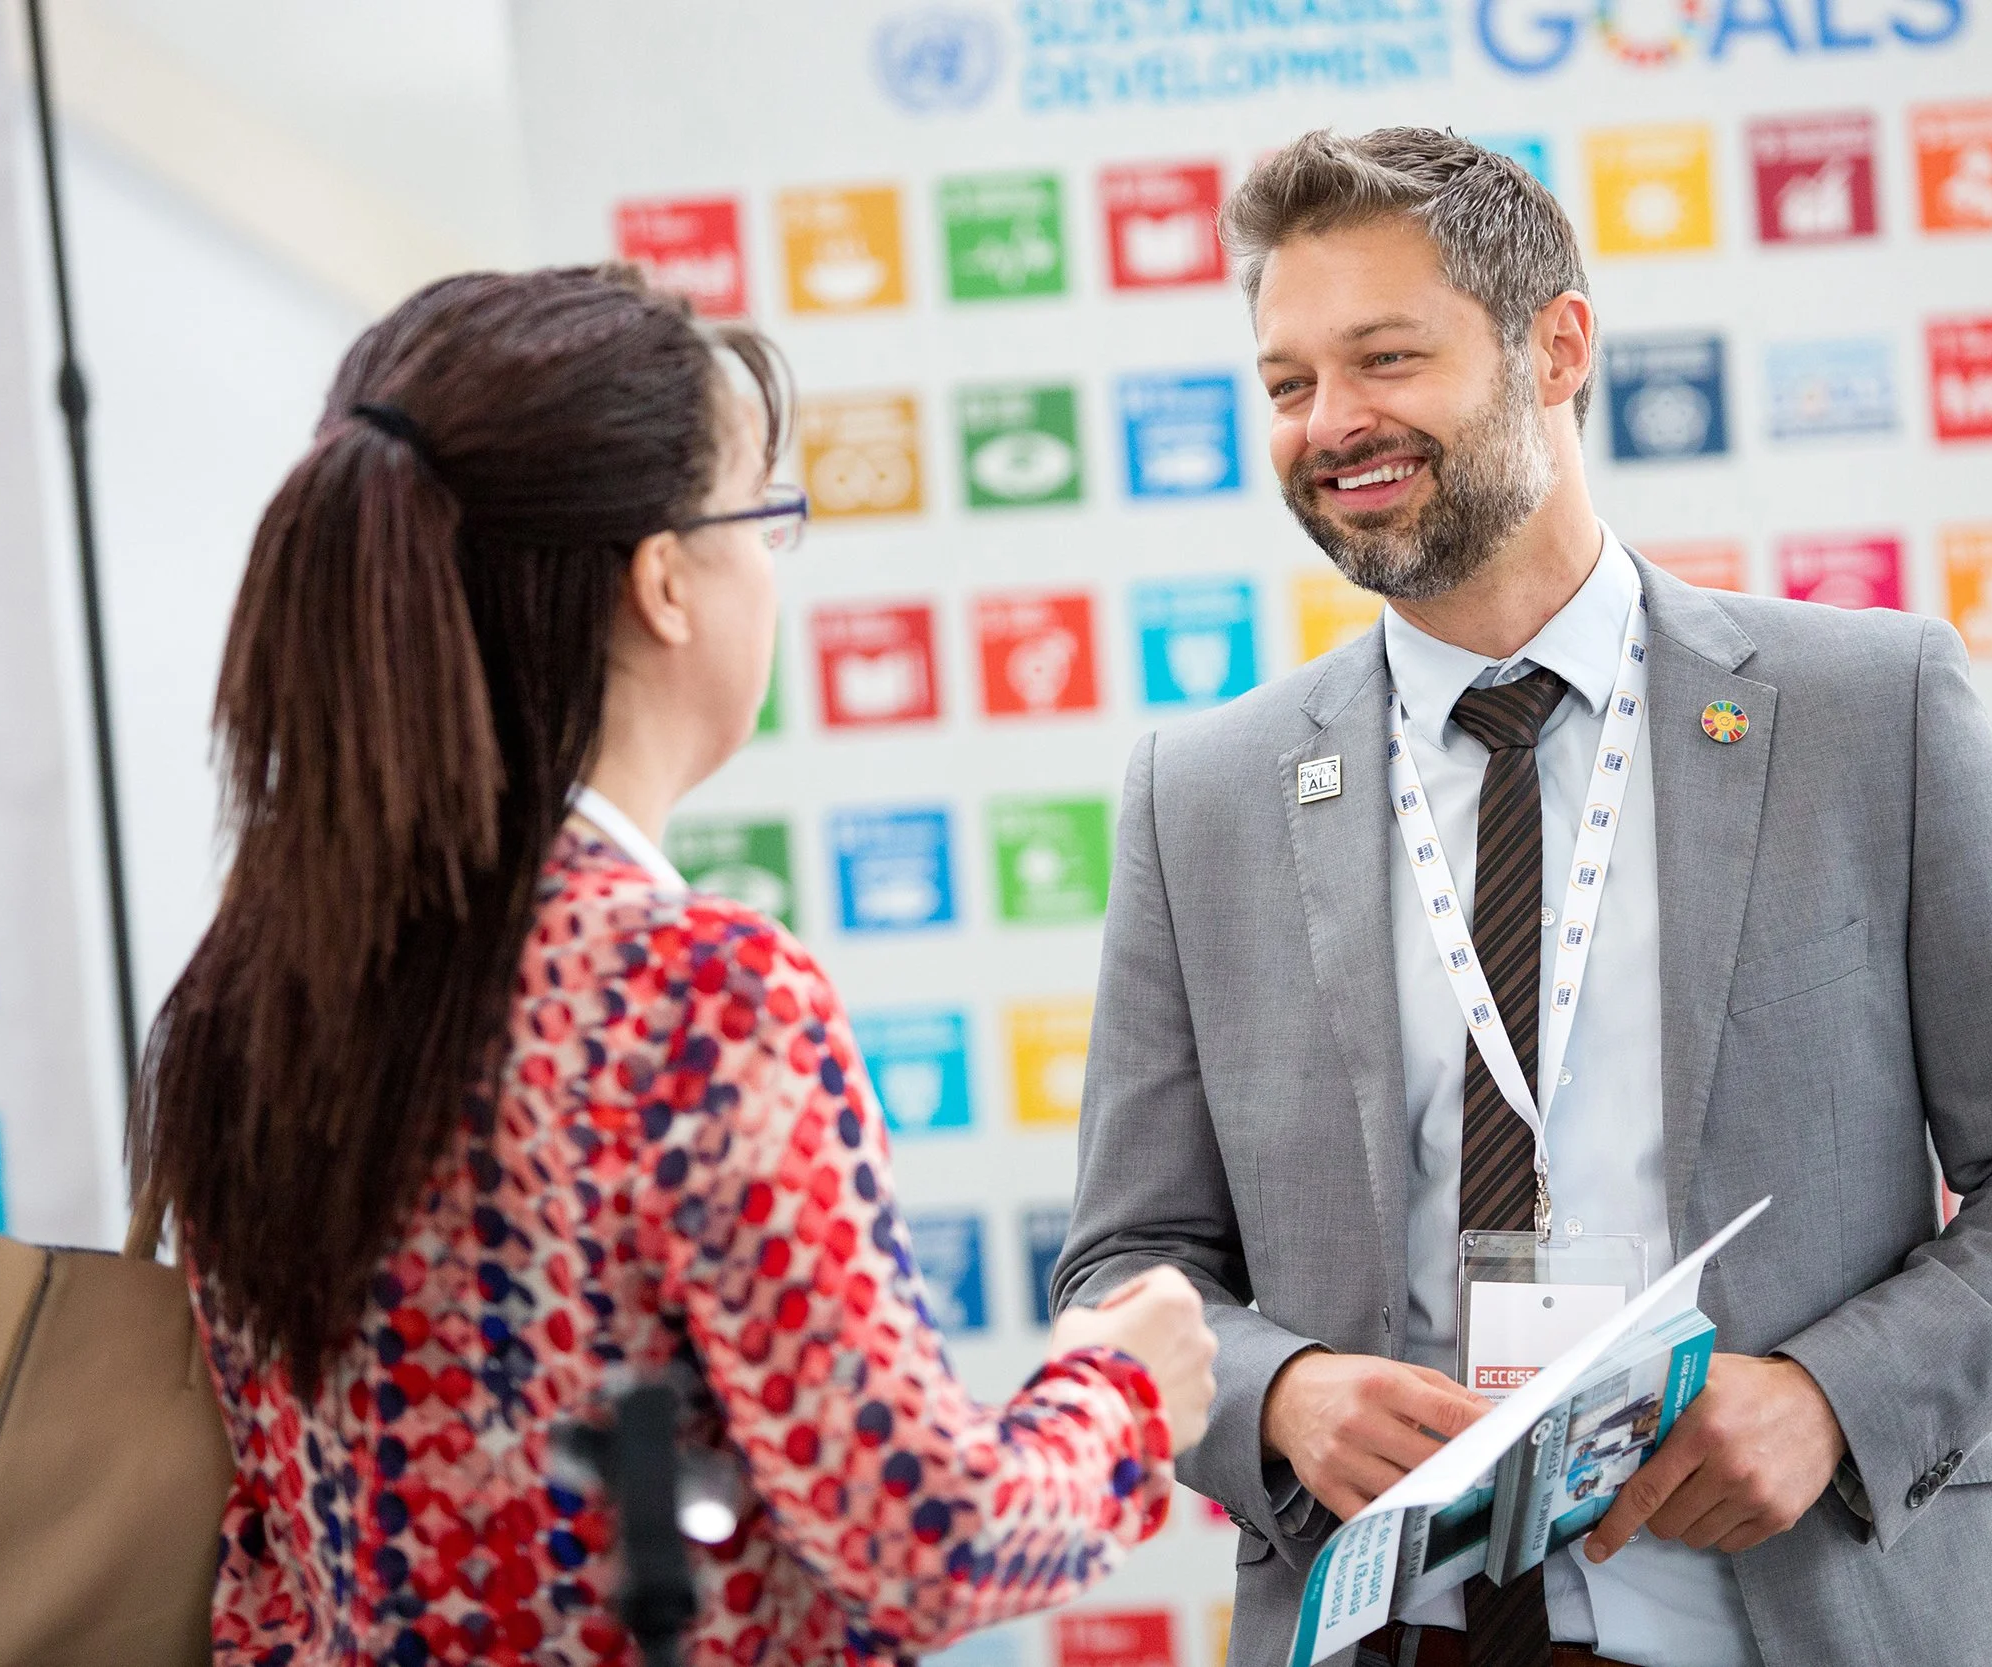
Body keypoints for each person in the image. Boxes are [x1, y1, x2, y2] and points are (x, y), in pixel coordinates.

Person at [1053, 129, 1992, 1667]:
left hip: (1816, 1611)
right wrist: (1282, 1391)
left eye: (1387, 357)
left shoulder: (1867, 712)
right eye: (1289, 382)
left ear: (1557, 345)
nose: (1335, 424)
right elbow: (1127, 1264)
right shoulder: (1205, 794)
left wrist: (1832, 1398)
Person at [131, 265, 1217, 1667]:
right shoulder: (694, 993)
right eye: (766, 516)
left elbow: (270, 1571)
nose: (775, 566)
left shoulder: (249, 992)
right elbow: (926, 1536)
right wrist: (1124, 1391)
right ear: (662, 580)